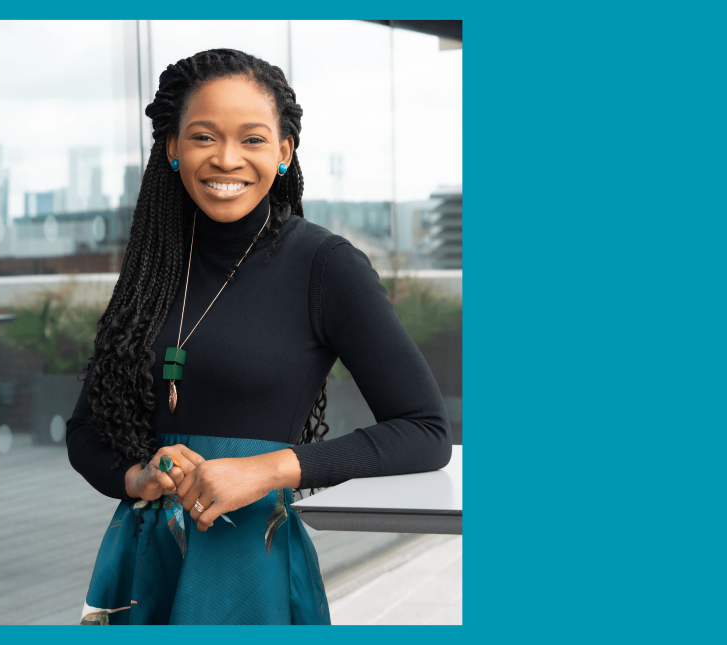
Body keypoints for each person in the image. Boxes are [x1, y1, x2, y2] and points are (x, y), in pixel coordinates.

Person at [66, 48, 451, 625]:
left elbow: (425, 432)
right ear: (172, 149)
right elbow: (85, 432)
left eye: (251, 139)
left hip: (254, 566)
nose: (227, 160)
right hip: (145, 563)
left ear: (283, 151)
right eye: (203, 137)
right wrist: (137, 477)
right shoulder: (155, 263)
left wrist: (268, 469)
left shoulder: (326, 265)